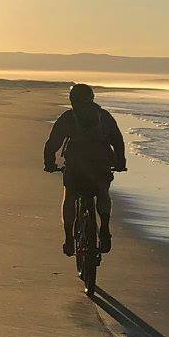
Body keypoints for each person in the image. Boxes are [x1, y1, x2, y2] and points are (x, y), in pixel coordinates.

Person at [42, 83, 127, 256]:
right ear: (92, 98)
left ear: (72, 100)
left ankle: (68, 238)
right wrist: (120, 162)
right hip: (101, 165)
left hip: (76, 167)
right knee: (103, 192)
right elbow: (117, 141)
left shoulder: (68, 117)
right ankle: (104, 228)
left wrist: (49, 163)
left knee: (70, 196)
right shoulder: (104, 116)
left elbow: (52, 144)